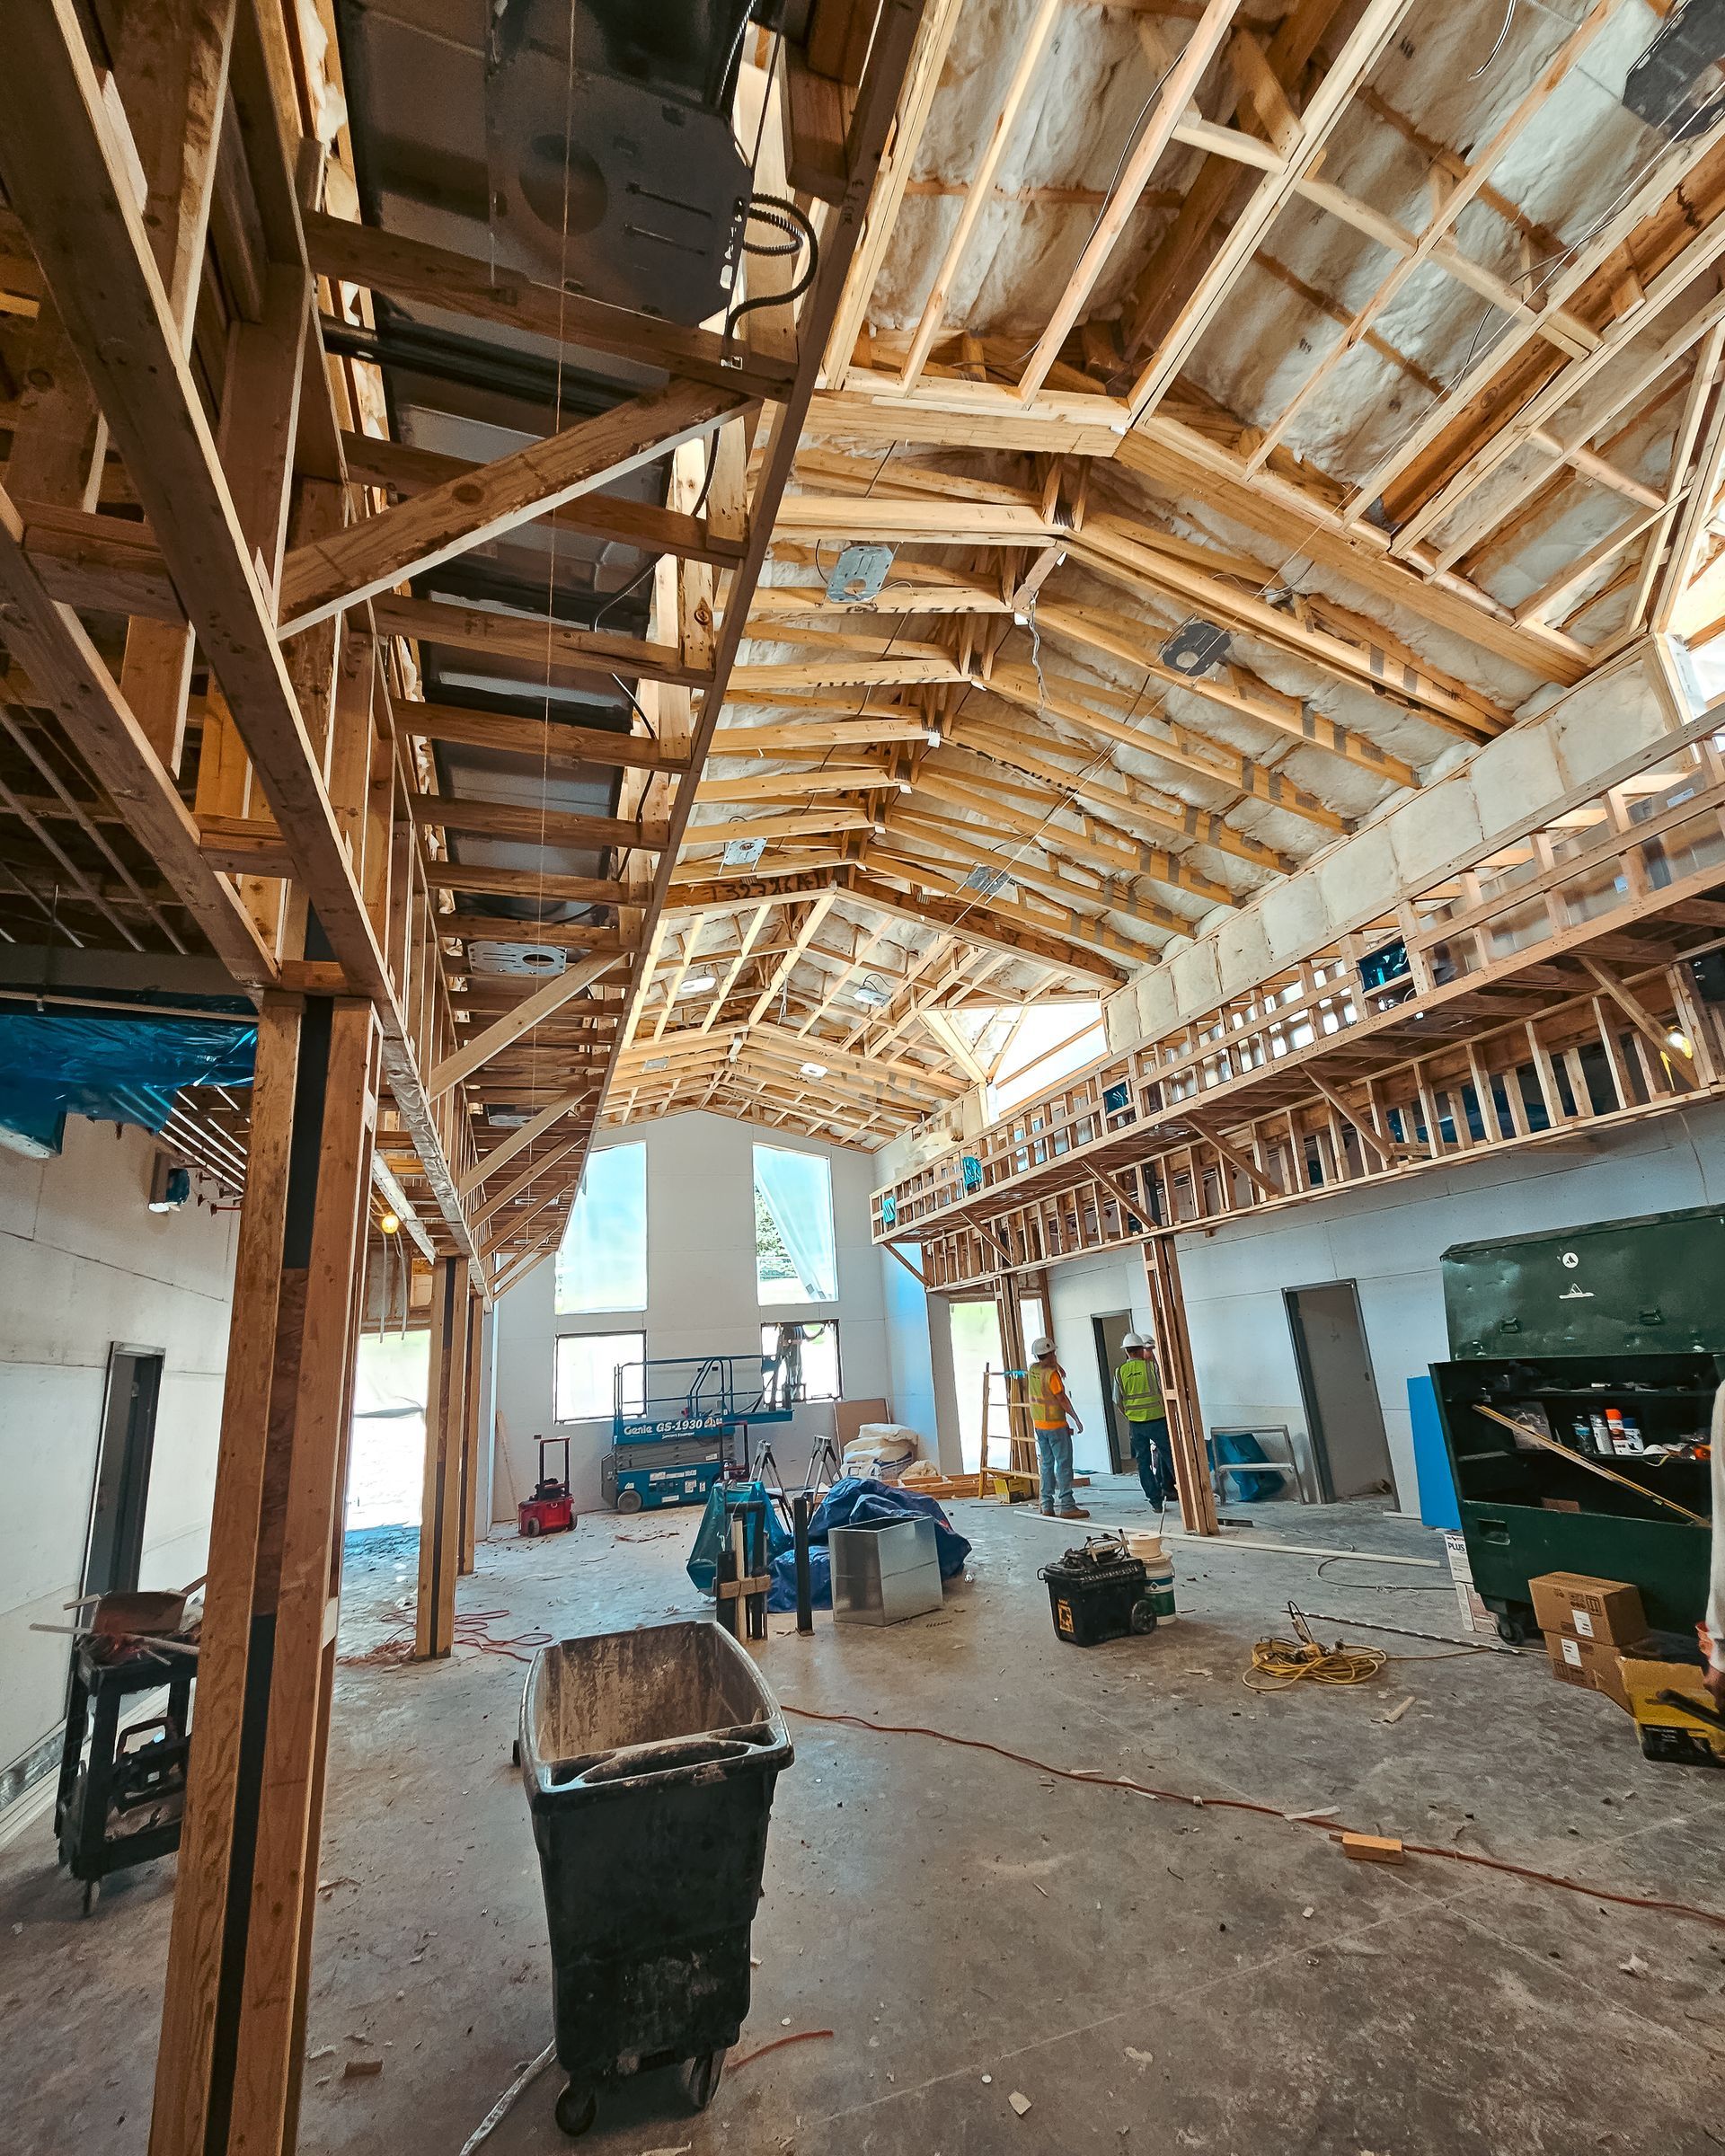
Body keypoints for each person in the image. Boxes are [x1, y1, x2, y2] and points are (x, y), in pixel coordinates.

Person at [1027, 1334, 1088, 1521]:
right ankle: (1068, 1506)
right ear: (1051, 1354)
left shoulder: (1033, 1369)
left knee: (1046, 1464)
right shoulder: (1052, 1375)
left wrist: (1055, 1365)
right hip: (1055, 1425)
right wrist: (1076, 1419)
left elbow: (1044, 1366)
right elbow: (1062, 1398)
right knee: (1063, 1465)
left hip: (1039, 1425)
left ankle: (1046, 1505)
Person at [1113, 1331, 1175, 1511]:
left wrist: (1130, 1415)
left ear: (1126, 1351)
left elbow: (1117, 1400)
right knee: (1171, 1456)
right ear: (1141, 1350)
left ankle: (1155, 1502)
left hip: (1136, 1424)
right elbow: (1163, 1391)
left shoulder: (1120, 1372)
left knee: (1143, 1463)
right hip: (1157, 1420)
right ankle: (1184, 1493)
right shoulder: (1151, 1368)